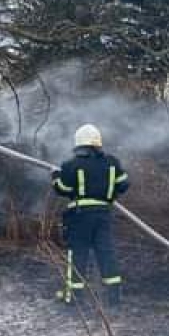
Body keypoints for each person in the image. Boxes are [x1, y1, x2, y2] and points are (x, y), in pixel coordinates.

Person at [51, 124, 130, 307]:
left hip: (80, 216)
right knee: (106, 253)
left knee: (77, 254)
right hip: (104, 215)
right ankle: (114, 299)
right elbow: (124, 184)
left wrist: (56, 176)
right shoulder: (112, 162)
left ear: (79, 145)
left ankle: (73, 298)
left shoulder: (71, 164)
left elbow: (62, 189)